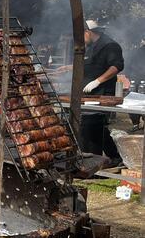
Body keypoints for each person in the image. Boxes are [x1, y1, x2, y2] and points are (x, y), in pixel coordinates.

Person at [60, 20, 124, 165]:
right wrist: (69, 68)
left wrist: (97, 81)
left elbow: (116, 66)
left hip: (102, 92)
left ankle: (92, 161)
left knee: (91, 124)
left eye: (81, 34)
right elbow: (91, 64)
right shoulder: (91, 46)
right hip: (89, 93)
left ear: (88, 32)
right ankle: (115, 158)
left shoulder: (110, 45)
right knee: (96, 126)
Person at [125, 36, 145, 131]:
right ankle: (137, 124)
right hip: (136, 81)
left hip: (136, 81)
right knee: (135, 102)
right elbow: (128, 65)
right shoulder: (135, 52)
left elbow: (127, 66)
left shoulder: (135, 52)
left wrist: (129, 76)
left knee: (135, 102)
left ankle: (137, 124)